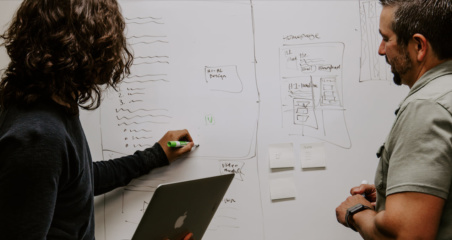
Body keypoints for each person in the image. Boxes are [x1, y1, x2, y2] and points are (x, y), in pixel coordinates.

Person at [0, 0, 195, 239]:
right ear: (86, 51)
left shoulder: (52, 107)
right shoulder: (38, 137)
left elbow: (77, 181)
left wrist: (155, 155)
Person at [336, 0, 452, 239]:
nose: (380, 50)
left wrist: (355, 212)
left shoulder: (426, 107)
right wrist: (390, 194)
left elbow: (408, 234)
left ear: (419, 45)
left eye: (386, 38)